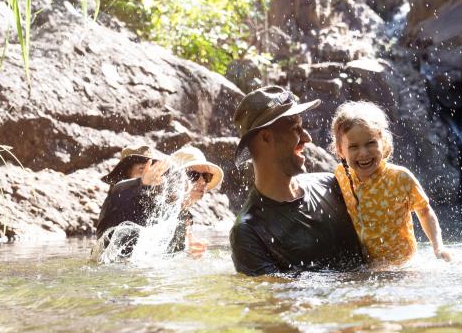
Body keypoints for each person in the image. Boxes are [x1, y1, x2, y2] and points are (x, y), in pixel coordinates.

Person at [229, 86, 366, 275]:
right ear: (266, 138)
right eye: (295, 128)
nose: (307, 137)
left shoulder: (331, 184)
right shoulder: (248, 232)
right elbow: (276, 301)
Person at [331, 101, 452, 265]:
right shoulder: (341, 175)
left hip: (402, 266)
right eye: (354, 147)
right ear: (340, 150)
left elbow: (424, 211)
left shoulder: (399, 178)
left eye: (371, 143)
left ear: (383, 142)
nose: (364, 153)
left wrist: (438, 247)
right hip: (365, 268)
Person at [95, 146, 223, 258]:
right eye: (142, 170)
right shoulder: (117, 199)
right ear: (126, 176)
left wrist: (187, 249)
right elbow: (120, 191)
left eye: (206, 177)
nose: (151, 174)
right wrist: (141, 182)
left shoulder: (162, 210)